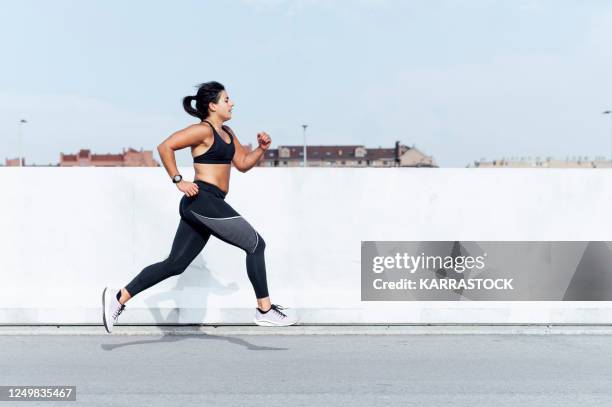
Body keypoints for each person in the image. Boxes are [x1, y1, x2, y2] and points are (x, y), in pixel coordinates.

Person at [102, 81, 298, 333]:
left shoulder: (228, 133)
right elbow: (165, 147)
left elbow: (243, 163)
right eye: (227, 99)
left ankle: (118, 298)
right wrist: (178, 180)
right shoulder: (203, 131)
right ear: (213, 105)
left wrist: (261, 149)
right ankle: (264, 309)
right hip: (202, 199)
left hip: (208, 203)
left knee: (175, 264)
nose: (232, 103)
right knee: (255, 244)